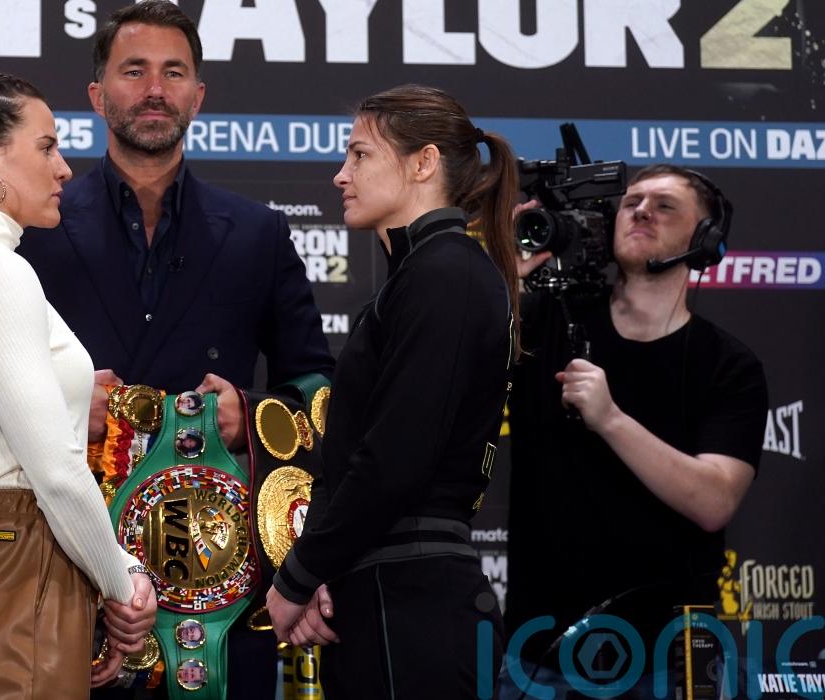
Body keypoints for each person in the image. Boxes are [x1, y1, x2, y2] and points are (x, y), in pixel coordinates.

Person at [17, 3, 334, 696]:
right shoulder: (34, 227)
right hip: (66, 565)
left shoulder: (258, 233)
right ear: (98, 94)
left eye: (174, 72)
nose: (155, 89)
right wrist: (63, 403)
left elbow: (317, 389)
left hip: (216, 581)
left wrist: (251, 414)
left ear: (199, 95)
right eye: (134, 71)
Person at [0, 73, 157, 699]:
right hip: (18, 559)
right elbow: (55, 470)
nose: (64, 167)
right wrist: (122, 583)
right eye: (46, 147)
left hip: (2, 559)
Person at [267, 84, 521, 699]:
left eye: (360, 155)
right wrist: (318, 571)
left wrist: (297, 578)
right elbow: (351, 460)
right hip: (385, 597)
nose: (340, 175)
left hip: (415, 609)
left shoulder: (446, 273)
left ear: (423, 163)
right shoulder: (423, 276)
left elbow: (393, 459)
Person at [502, 165, 768, 699]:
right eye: (631, 203)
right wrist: (504, 280)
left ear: (706, 239)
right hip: (539, 655)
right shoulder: (541, 320)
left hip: (667, 661)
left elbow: (715, 500)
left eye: (664, 205)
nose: (642, 211)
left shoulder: (728, 364)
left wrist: (611, 420)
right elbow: (440, 371)